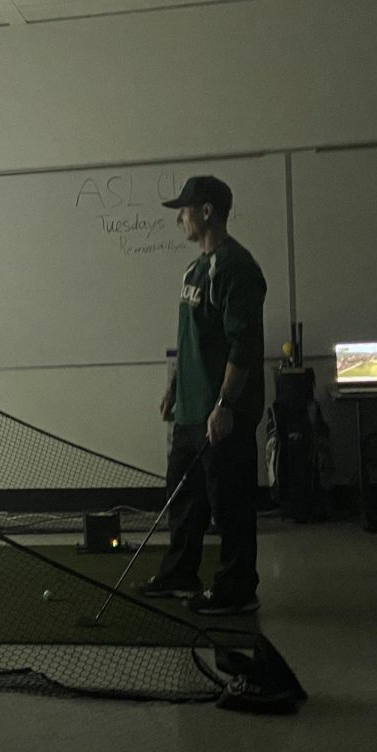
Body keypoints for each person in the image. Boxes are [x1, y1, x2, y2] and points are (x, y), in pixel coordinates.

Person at [137, 175, 267, 615]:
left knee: (229, 502)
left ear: (207, 211)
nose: (180, 218)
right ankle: (179, 572)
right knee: (184, 498)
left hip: (222, 413)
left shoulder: (236, 268)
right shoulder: (194, 270)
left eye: (185, 210)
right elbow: (188, 338)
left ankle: (237, 589)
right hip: (190, 412)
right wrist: (173, 389)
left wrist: (226, 405)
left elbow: (242, 343)